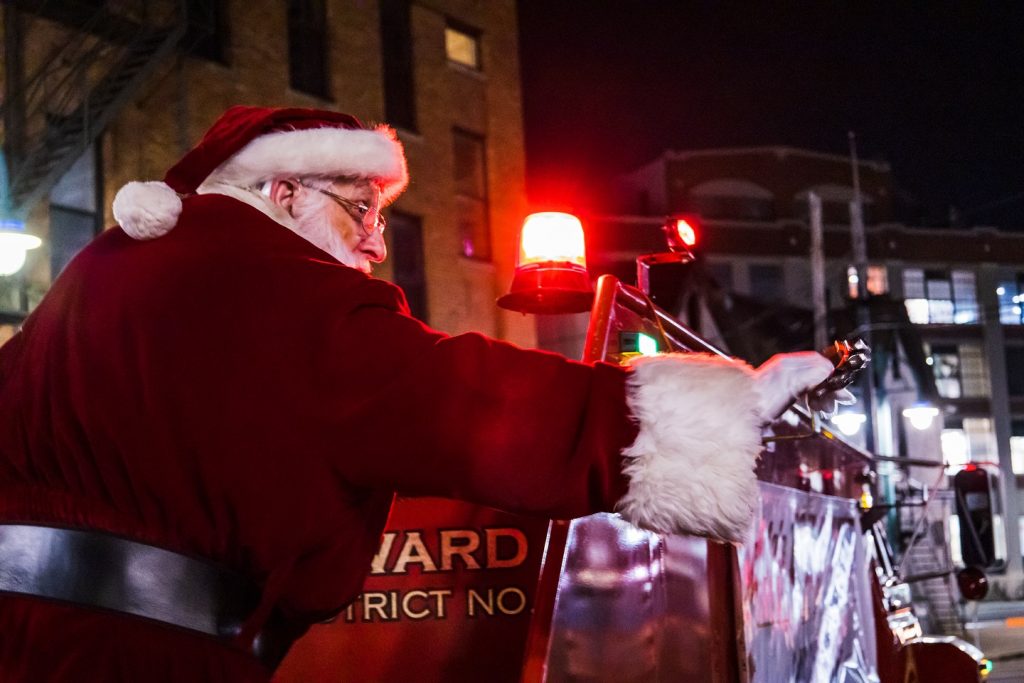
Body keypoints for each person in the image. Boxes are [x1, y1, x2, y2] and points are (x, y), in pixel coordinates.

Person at [0, 106, 849, 682]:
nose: (375, 237)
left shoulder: (94, 278)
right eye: (357, 205)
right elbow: (465, 400)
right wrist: (719, 407)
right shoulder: (279, 286)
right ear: (281, 191)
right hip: (133, 655)